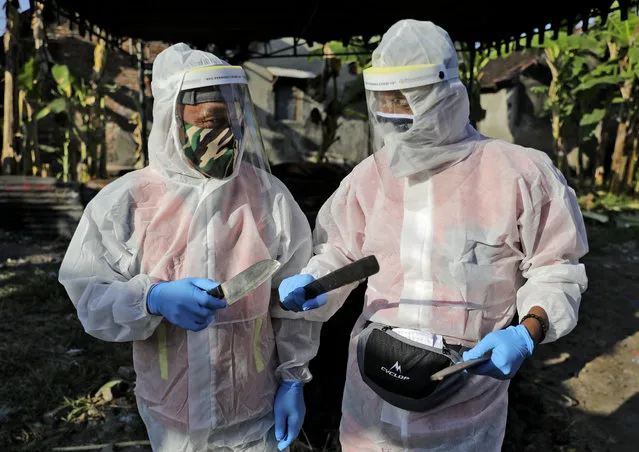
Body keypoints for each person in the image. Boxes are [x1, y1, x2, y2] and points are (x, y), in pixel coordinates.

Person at [278, 19, 588, 451]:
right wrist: (315, 281)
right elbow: (341, 253)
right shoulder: (371, 177)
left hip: (465, 405)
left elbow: (556, 270)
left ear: (443, 95)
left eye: (404, 100)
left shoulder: (519, 174)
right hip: (372, 404)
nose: (392, 113)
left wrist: (527, 331)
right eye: (384, 100)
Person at [59, 43, 321, 452]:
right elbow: (88, 293)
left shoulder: (268, 198)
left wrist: (292, 377)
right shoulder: (127, 202)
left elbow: (295, 301)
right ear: (171, 120)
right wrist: (151, 298)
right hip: (172, 413)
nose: (226, 133)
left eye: (232, 119)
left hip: (253, 408)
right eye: (210, 120)